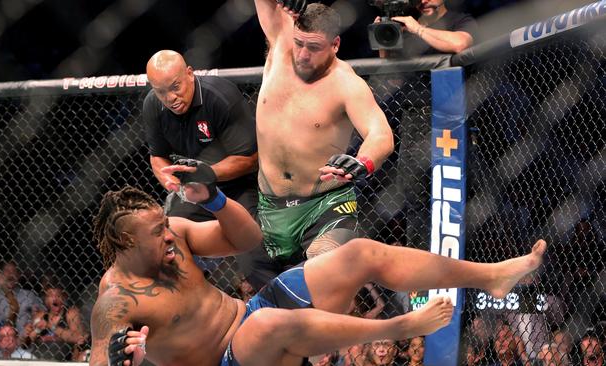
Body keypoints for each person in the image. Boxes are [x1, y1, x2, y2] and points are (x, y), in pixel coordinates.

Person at [87, 161, 546, 366]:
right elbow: (101, 362)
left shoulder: (177, 235)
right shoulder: (116, 302)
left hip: (253, 313)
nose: (169, 233)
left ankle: (492, 275)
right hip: (232, 358)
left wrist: (215, 198)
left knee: (359, 253)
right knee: (266, 328)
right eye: (156, 233)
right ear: (126, 243)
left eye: (166, 226)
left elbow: (247, 238)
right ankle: (399, 328)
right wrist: (130, 358)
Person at [252, 0, 395, 275]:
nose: (303, 54)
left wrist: (363, 162)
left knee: (325, 274)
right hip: (269, 206)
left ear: (335, 44)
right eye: (300, 44)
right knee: (273, 305)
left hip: (325, 205)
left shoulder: (346, 83)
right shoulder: (281, 42)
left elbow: (381, 134)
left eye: (314, 47)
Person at [373, 0, 478, 250]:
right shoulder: (406, 27)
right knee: (415, 198)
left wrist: (418, 30)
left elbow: (461, 43)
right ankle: (419, 271)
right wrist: (386, 31)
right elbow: (389, 64)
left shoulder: (458, 20)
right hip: (414, 120)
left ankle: (458, 264)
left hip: (452, 118)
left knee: (455, 191)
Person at [143, 49, 258, 221]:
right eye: (161, 92)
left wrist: (207, 173)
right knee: (171, 229)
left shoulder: (220, 97)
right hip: (193, 190)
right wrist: (176, 186)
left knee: (250, 240)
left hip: (238, 186)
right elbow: (158, 157)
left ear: (189, 73)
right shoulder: (152, 104)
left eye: (175, 87)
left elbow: (250, 159)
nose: (170, 98)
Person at [0, 260, 44, 335]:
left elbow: (43, 313)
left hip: (23, 338)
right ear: (1, 274)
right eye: (7, 270)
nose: (10, 273)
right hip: (0, 338)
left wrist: (35, 319)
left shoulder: (28, 295)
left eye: (13, 271)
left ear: (18, 275)